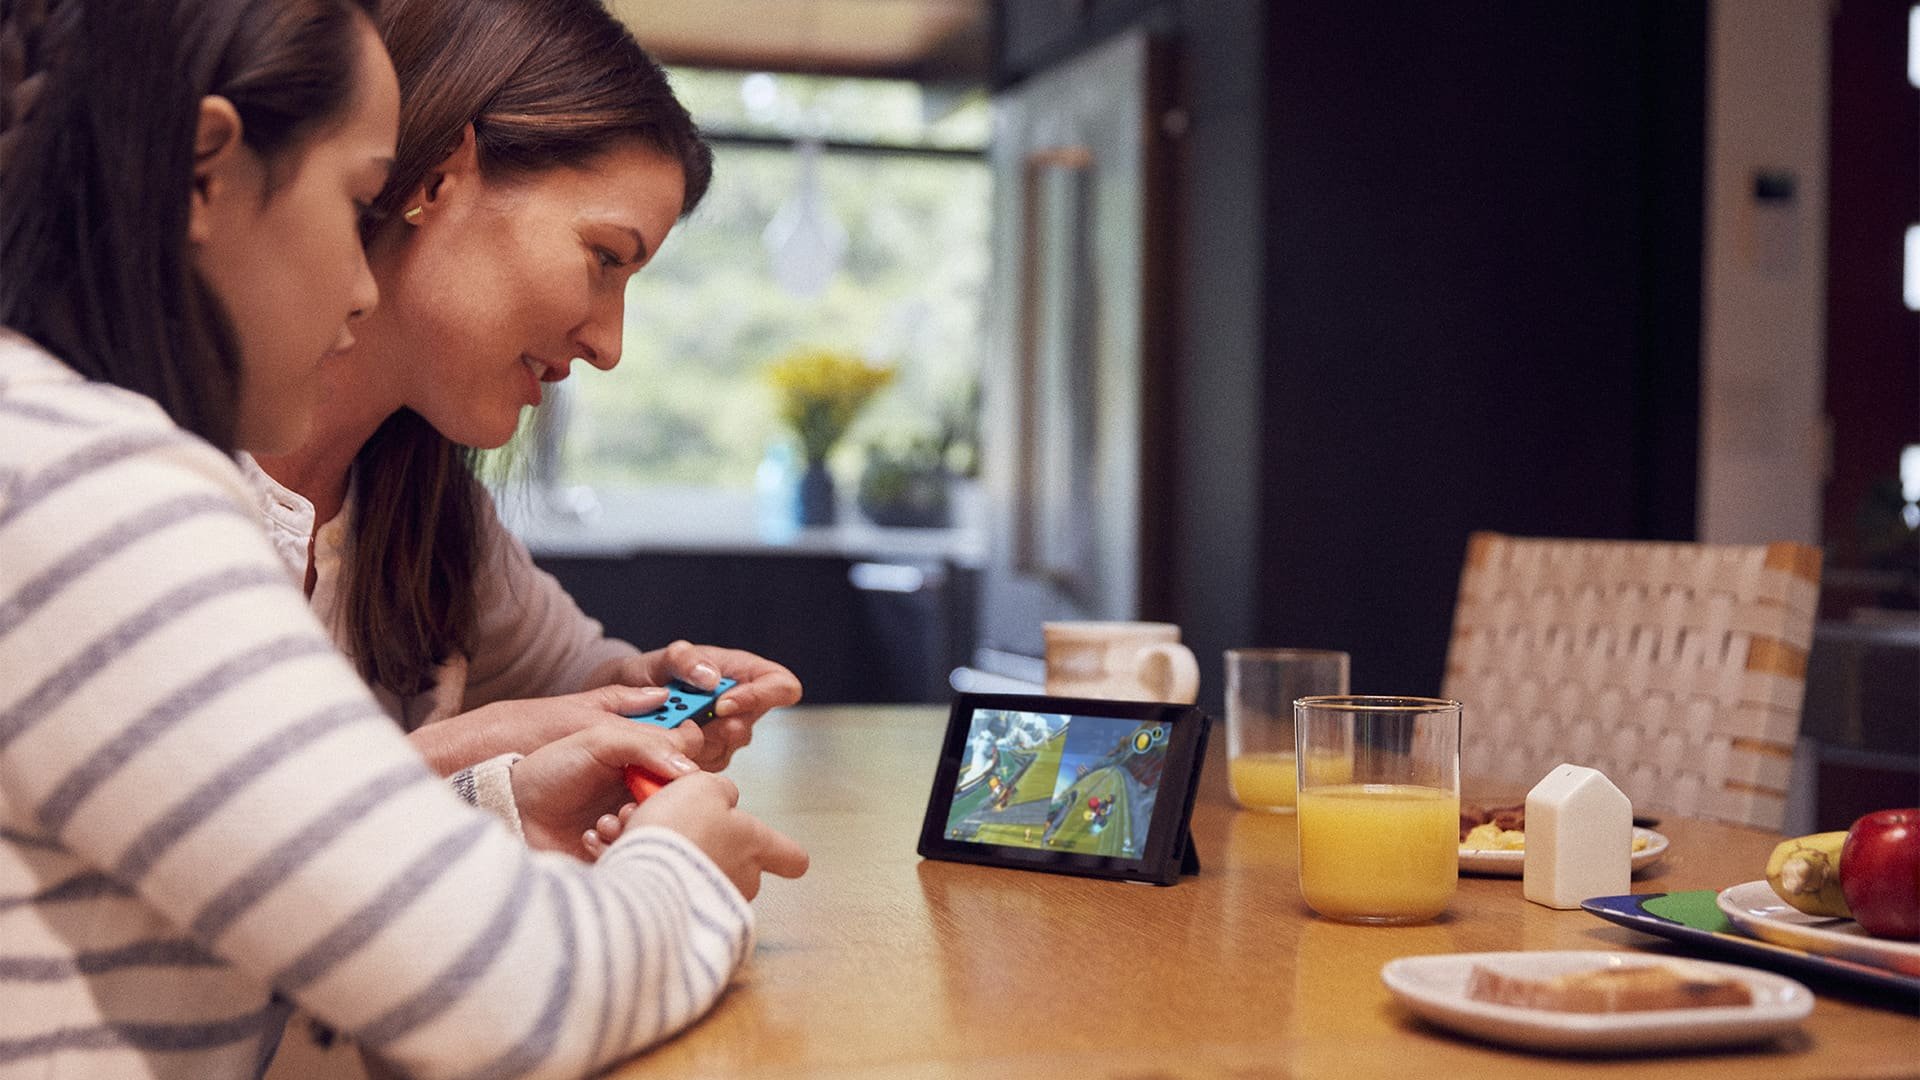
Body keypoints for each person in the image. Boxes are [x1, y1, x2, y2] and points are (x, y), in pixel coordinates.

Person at [0, 1, 807, 1076]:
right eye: (358, 201)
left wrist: (506, 799)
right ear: (207, 173)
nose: (365, 280)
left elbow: (254, 894)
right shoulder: (97, 495)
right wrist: (682, 864)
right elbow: (511, 999)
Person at [246, 0, 801, 782]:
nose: (609, 346)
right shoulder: (144, 466)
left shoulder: (428, 515)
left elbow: (577, 673)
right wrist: (495, 736)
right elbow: (223, 818)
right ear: (441, 175)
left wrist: (637, 694)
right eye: (606, 258)